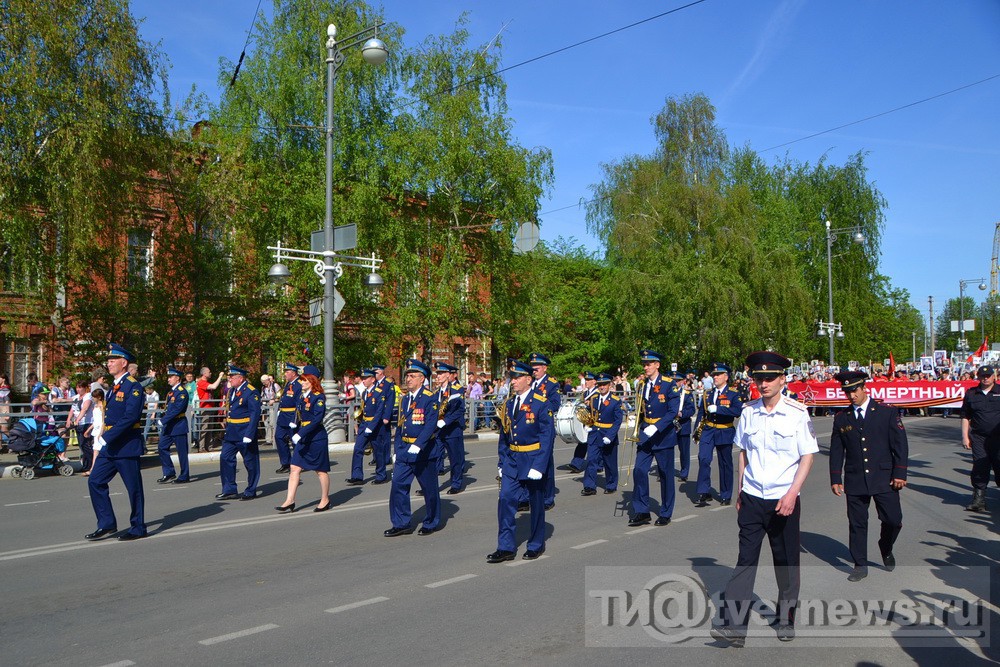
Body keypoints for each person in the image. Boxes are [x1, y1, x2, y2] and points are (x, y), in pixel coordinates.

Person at [711, 351, 817, 647]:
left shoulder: (797, 413)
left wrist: (793, 493)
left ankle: (786, 618)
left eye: (770, 378)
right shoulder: (748, 412)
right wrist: (741, 490)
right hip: (753, 497)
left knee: (785, 561)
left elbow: (807, 456)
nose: (764, 383)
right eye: (759, 378)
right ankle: (734, 627)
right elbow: (743, 452)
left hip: (784, 498)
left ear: (783, 380)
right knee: (746, 560)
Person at [829, 370, 908, 582]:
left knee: (893, 520)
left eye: (854, 390)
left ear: (864, 388)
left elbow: (900, 444)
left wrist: (899, 472)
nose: (851, 395)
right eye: (847, 392)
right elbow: (837, 450)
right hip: (855, 479)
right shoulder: (841, 418)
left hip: (884, 477)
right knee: (857, 523)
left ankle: (886, 545)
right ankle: (859, 564)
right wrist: (836, 477)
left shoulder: (886, 412)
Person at [488, 359, 555, 562]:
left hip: (533, 458)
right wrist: (502, 462)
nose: (513, 381)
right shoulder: (509, 404)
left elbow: (547, 436)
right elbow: (504, 436)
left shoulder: (541, 403)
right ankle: (506, 546)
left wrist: (539, 466)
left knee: (536, 504)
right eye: (511, 378)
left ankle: (536, 544)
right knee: (506, 500)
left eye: (517, 378)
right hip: (512, 460)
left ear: (528, 379)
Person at [85, 344, 148, 541]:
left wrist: (105, 437)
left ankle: (138, 527)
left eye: (113, 360)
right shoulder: (115, 386)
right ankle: (106, 523)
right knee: (95, 480)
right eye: (109, 360)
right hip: (110, 446)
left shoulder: (133, 387)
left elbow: (130, 417)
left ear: (124, 362)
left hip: (126, 446)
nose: (109, 363)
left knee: (133, 489)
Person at [384, 359, 441, 537]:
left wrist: (418, 445)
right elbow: (401, 426)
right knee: (398, 485)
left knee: (429, 489)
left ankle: (431, 521)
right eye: (407, 375)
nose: (408, 379)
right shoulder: (404, 399)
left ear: (422, 379)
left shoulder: (430, 399)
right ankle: (401, 523)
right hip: (404, 450)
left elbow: (431, 425)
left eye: (412, 376)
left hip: (423, 451)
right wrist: (397, 449)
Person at [628, 350, 681, 526]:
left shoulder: (669, 384)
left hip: (663, 435)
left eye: (649, 364)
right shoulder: (642, 385)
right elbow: (642, 407)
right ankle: (642, 511)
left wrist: (656, 427)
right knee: (639, 470)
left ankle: (666, 512)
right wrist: (636, 420)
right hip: (646, 434)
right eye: (644, 364)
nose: (646, 367)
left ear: (657, 365)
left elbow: (673, 411)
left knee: (665, 474)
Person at [275, 365, 331, 513]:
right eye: (301, 380)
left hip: (316, 437)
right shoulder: (302, 395)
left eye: (304, 380)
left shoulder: (318, 397)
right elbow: (298, 411)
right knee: (294, 468)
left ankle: (325, 499)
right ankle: (289, 500)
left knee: (320, 470)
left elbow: (317, 419)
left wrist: (300, 433)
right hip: (303, 436)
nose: (301, 382)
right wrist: (295, 425)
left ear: (312, 381)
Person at [695, 363, 744, 507]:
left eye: (718, 375)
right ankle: (704, 491)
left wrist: (719, 409)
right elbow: (701, 414)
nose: (715, 377)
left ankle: (726, 494)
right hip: (708, 430)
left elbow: (737, 411)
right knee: (703, 458)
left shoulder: (733, 394)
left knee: (725, 464)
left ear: (726, 377)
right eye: (714, 375)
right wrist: (697, 430)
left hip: (724, 430)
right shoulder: (708, 393)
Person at [216, 365, 262, 501]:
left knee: (250, 462)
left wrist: (250, 434)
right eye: (229, 376)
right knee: (225, 457)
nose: (229, 379)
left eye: (232, 377)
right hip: (232, 432)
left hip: (244, 431)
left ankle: (251, 489)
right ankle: (229, 489)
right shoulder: (232, 391)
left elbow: (255, 414)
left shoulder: (251, 391)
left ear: (241, 378)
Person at [960, 365, 1000, 513]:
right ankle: (979, 499)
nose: (985, 378)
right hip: (979, 438)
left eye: (988, 375)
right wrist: (965, 436)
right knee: (979, 467)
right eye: (982, 376)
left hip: (998, 438)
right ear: (978, 377)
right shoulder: (971, 394)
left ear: (994, 376)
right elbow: (965, 416)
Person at [528, 353, 562, 511]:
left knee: (546, 463)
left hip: (543, 428)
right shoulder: (530, 383)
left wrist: (539, 406)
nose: (533, 371)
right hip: (529, 428)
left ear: (544, 368)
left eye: (536, 369)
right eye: (532, 368)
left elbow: (555, 404)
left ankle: (548, 498)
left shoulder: (551, 384)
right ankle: (530, 495)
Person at [581, 372, 623, 496]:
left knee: (609, 462)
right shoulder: (593, 398)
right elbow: (589, 413)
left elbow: (618, 420)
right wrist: (587, 424)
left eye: (604, 384)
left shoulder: (615, 401)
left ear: (609, 385)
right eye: (599, 384)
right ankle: (589, 486)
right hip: (594, 433)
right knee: (591, 459)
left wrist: (610, 436)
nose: (602, 387)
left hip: (608, 434)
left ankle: (611, 484)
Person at [433, 362, 467, 494]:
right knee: (435, 457)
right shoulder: (436, 392)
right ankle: (433, 486)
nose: (438, 376)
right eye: (437, 373)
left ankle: (456, 484)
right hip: (438, 431)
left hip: (452, 430)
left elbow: (460, 410)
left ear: (448, 375)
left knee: (455, 459)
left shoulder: (456, 390)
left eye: (441, 374)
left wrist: (445, 421)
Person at [156, 366, 190, 484]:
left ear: (177, 379)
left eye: (171, 377)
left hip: (178, 425)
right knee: (162, 447)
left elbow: (177, 409)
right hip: (169, 425)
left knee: (182, 452)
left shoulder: (182, 392)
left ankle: (184, 475)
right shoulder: (171, 392)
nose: (168, 379)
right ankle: (169, 473)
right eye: (169, 377)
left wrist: (163, 420)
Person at [347, 368, 378, 485]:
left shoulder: (378, 392)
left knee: (378, 450)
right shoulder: (364, 393)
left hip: (375, 424)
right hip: (365, 423)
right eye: (363, 378)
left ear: (373, 379)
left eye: (366, 378)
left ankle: (381, 474)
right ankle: (357, 476)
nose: (363, 380)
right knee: (358, 448)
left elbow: (379, 411)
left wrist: (373, 425)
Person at [565, 371, 597, 473]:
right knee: (583, 442)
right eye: (586, 380)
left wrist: (590, 404)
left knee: (596, 445)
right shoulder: (586, 393)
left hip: (596, 422)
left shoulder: (598, 393)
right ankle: (576, 464)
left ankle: (598, 464)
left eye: (588, 380)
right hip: (586, 421)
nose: (586, 382)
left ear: (594, 381)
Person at [273, 363, 301, 474]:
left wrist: (295, 419)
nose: (285, 374)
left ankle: (298, 462)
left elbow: (299, 404)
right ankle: (286, 463)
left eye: (287, 372)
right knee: (279, 437)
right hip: (283, 417)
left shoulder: (299, 384)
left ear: (293, 373)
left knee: (295, 441)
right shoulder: (288, 384)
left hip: (292, 417)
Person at [371, 364, 396, 482]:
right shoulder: (373, 384)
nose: (374, 375)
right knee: (377, 442)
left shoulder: (388, 383)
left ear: (381, 372)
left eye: (375, 373)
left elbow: (390, 401)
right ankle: (379, 460)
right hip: (375, 416)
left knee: (384, 441)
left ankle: (385, 461)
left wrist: (387, 416)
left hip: (383, 417)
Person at [673, 371, 697, 482]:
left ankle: (684, 472)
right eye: (673, 380)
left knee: (684, 451)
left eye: (677, 380)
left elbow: (692, 409)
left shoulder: (687, 394)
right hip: (670, 426)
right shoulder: (669, 394)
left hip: (683, 425)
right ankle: (666, 471)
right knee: (667, 450)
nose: (675, 382)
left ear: (683, 381)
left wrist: (682, 414)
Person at [196, 366, 226, 452]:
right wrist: (220, 376)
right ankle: (201, 447)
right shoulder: (201, 382)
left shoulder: (205, 382)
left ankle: (208, 446)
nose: (210, 373)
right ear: (204, 373)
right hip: (205, 408)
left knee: (210, 428)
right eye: (209, 372)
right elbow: (214, 386)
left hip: (210, 407)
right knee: (204, 428)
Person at [71, 380, 95, 473]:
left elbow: (85, 408)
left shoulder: (88, 396)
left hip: (86, 422)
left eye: (80, 387)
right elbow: (72, 409)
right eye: (77, 387)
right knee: (82, 445)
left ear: (85, 388)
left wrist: (77, 420)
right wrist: (69, 419)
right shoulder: (76, 397)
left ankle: (91, 465)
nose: (78, 389)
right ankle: (86, 465)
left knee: (86, 445)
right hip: (79, 424)